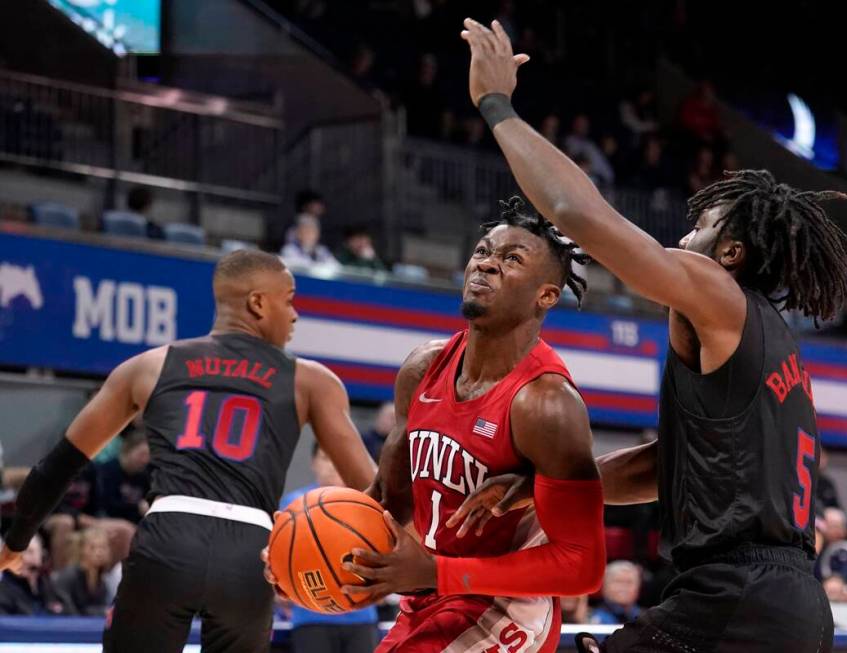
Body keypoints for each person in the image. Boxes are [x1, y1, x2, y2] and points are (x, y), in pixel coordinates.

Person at [456, 19, 847, 651]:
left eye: (701, 225)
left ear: (729, 253)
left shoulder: (717, 292)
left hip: (733, 596)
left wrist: (496, 104)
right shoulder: (768, 342)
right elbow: (665, 468)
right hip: (789, 607)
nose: (685, 232)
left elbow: (578, 216)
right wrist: (547, 490)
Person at [268, 197, 607, 652]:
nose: (486, 265)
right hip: (430, 595)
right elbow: (388, 501)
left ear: (546, 294)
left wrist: (437, 572)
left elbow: (581, 566)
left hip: (505, 610)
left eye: (511, 259)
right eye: (483, 251)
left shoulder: (546, 405)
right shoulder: (422, 368)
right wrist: (305, 550)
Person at [0, 250, 377, 653]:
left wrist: (15, 543)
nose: (295, 314)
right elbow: (373, 492)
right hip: (251, 552)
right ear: (257, 303)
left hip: (168, 537)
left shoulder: (149, 366)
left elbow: (57, 467)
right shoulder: (311, 380)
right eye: (289, 299)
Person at [281, 445, 379, 653]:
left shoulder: (367, 504)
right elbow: (278, 563)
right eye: (326, 458)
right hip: (310, 618)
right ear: (313, 463)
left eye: (338, 457)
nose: (333, 465)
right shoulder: (293, 505)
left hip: (362, 617)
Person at [52, 527, 114, 616]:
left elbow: (103, 608)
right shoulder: (69, 576)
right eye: (93, 548)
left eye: (103, 548)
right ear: (82, 550)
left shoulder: (102, 581)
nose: (99, 553)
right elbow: (67, 611)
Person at [92, 430, 151, 524]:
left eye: (148, 456)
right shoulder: (107, 470)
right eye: (141, 454)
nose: (145, 460)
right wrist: (137, 507)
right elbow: (106, 504)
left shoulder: (144, 477)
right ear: (128, 449)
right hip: (105, 519)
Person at [0, 535, 66, 615]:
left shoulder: (51, 586)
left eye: (30, 552)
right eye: (17, 554)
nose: (23, 558)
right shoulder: (3, 589)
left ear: (41, 556)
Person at [591, 561, 644, 625]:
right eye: (618, 581)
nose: (624, 587)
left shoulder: (648, 618)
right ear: (604, 585)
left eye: (629, 582)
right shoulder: (591, 619)